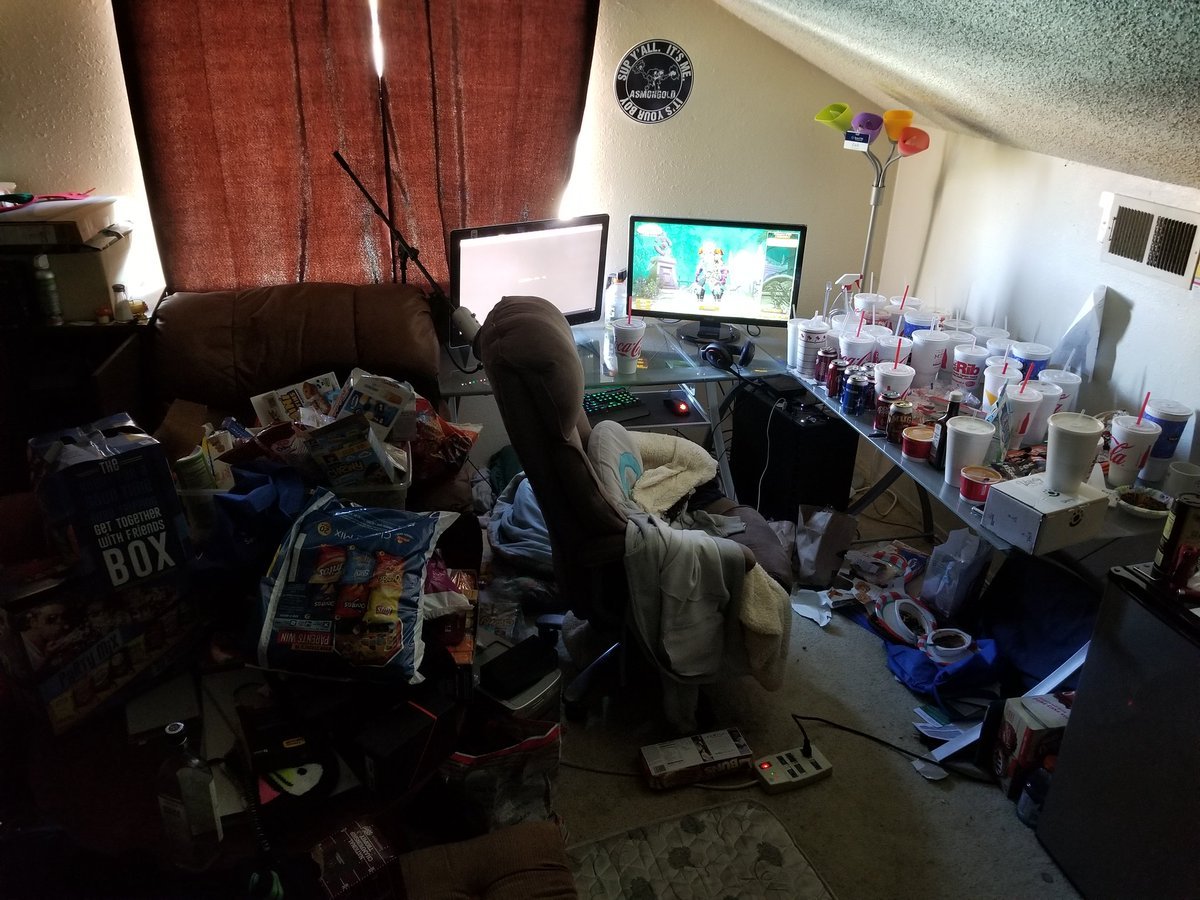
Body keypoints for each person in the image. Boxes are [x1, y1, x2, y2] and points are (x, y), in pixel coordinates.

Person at [19, 601, 71, 672]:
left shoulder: (51, 639)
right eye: (51, 619)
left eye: (63, 617)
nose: (61, 624)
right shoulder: (19, 647)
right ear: (34, 622)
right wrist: (48, 658)